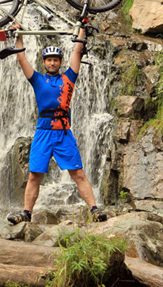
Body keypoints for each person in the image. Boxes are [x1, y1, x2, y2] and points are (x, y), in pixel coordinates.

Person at [7, 26, 107, 225]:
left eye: (56, 60)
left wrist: (82, 28)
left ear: (60, 62)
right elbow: (21, 58)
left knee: (78, 173)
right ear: (44, 62)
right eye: (49, 60)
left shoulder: (69, 78)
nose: (52, 62)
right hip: (43, 132)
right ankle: (26, 213)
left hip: (63, 132)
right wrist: (19, 35)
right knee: (34, 175)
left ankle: (94, 209)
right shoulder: (37, 79)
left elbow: (78, 50)